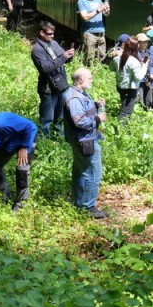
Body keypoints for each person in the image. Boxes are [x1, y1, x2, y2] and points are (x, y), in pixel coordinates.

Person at [62, 67, 108, 218]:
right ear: (80, 80)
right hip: (84, 140)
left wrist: (95, 105)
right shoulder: (74, 97)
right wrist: (97, 118)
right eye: (90, 78)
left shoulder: (77, 93)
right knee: (93, 173)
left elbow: (81, 111)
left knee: (80, 172)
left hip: (82, 139)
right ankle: (88, 207)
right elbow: (79, 121)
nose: (92, 80)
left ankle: (78, 202)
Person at [31, 21, 76, 137]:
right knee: (47, 118)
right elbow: (46, 68)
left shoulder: (54, 43)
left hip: (60, 85)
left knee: (60, 115)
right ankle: (45, 141)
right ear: (42, 32)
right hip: (48, 89)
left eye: (53, 34)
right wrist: (63, 57)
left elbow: (63, 59)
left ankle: (58, 137)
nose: (52, 36)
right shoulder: (37, 49)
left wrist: (69, 56)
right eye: (49, 34)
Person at [114, 36, 147, 123]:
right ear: (135, 48)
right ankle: (119, 130)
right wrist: (144, 66)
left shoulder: (118, 58)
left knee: (124, 106)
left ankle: (125, 126)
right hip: (130, 89)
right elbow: (139, 77)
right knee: (126, 111)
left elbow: (111, 68)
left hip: (120, 86)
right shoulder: (134, 61)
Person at [77, 0, 110, 64]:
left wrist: (107, 10)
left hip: (101, 32)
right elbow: (85, 17)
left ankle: (99, 73)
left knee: (102, 58)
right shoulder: (81, 1)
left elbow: (105, 14)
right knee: (89, 58)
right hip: (89, 33)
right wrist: (98, 10)